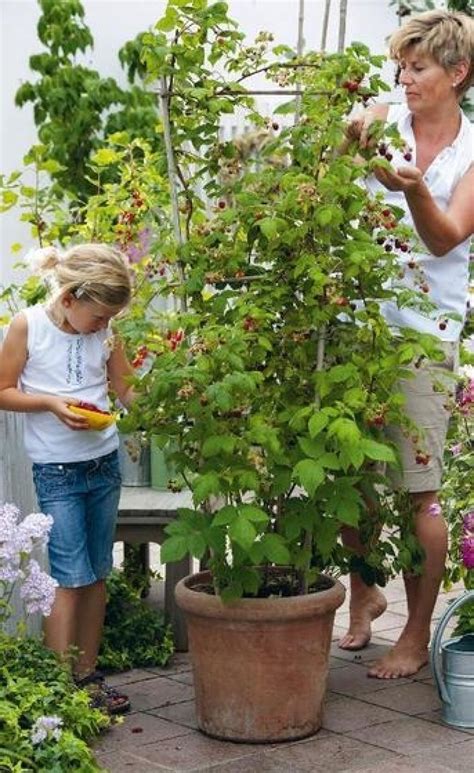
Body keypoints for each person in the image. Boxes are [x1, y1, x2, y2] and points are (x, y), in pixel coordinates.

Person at [338, 10, 474, 678]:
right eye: (401, 65)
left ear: (458, 72)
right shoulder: (384, 116)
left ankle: (416, 634)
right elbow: (333, 183)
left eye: (419, 66)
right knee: (350, 480)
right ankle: (364, 591)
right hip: (357, 321)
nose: (405, 77)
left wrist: (414, 189)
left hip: (422, 335)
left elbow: (447, 235)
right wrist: (345, 140)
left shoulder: (473, 152)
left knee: (417, 492)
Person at [0, 243, 136, 712]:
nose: (103, 326)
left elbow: (126, 388)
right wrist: (51, 404)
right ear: (69, 298)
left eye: (109, 319)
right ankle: (60, 689)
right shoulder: (28, 326)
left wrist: (175, 409)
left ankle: (87, 677)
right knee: (68, 576)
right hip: (57, 470)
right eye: (98, 316)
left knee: (97, 572)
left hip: (104, 462)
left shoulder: (106, 332)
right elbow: (2, 390)